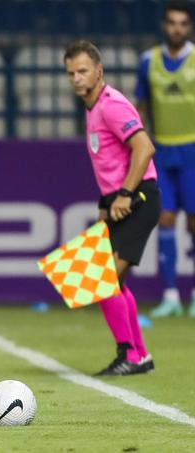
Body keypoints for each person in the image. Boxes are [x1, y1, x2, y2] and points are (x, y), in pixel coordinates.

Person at [64, 40, 159, 376]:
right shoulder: (93, 109)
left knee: (100, 280)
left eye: (83, 71)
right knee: (110, 282)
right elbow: (111, 164)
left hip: (138, 198)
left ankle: (130, 356)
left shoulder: (111, 105)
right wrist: (106, 206)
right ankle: (139, 355)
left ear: (99, 71)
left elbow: (144, 148)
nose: (76, 78)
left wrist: (124, 194)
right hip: (120, 201)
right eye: (71, 73)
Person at [135, 1, 195, 318]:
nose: (177, 28)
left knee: (194, 223)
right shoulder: (149, 61)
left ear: (189, 27)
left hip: (194, 150)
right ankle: (171, 295)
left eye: (183, 23)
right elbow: (141, 106)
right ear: (164, 25)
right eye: (172, 22)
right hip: (164, 150)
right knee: (166, 220)